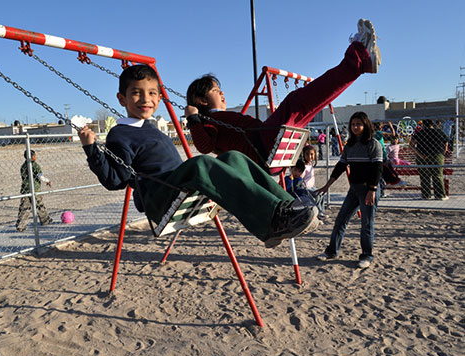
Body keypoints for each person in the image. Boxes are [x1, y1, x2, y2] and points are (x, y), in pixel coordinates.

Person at [78, 65, 318, 249]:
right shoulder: (120, 134)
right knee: (201, 163)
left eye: (152, 93)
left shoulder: (150, 127)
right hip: (159, 198)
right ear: (122, 99)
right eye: (136, 93)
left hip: (178, 185)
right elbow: (114, 180)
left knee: (233, 158)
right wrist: (91, 149)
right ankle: (274, 218)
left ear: (160, 98)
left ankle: (288, 205)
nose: (145, 99)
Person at [184, 18, 381, 169]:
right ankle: (357, 58)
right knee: (297, 102)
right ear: (201, 100)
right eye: (216, 90)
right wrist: (193, 117)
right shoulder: (208, 120)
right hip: (263, 147)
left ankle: (360, 62)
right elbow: (203, 146)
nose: (222, 93)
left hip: (264, 145)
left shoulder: (218, 119)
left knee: (312, 104)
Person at [315, 111, 383, 269]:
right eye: (353, 124)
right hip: (354, 189)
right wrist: (327, 185)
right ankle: (332, 250)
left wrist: (372, 190)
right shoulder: (350, 146)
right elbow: (340, 166)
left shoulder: (373, 144)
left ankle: (367, 255)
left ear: (365, 125)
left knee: (366, 223)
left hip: (369, 188)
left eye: (359, 124)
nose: (355, 127)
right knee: (341, 220)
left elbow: (377, 169)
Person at [409, 119, 450, 200]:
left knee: (424, 176)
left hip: (423, 156)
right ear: (432, 124)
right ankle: (440, 195)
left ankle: (426, 195)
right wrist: (444, 151)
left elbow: (411, 145)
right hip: (437, 155)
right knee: (437, 175)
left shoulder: (420, 133)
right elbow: (446, 142)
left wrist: (419, 154)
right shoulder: (439, 132)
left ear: (423, 125)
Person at [15, 150, 53, 232]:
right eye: (34, 156)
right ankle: (45, 220)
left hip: (25, 189)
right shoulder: (35, 166)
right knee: (39, 205)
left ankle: (20, 226)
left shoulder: (23, 166)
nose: (35, 157)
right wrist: (47, 181)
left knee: (24, 208)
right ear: (31, 157)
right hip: (35, 189)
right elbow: (40, 176)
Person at [302, 145, 327, 220]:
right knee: (317, 195)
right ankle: (319, 212)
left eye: (311, 154)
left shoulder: (311, 164)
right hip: (305, 188)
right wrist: (301, 187)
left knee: (321, 194)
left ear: (315, 155)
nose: (309, 156)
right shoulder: (304, 166)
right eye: (307, 154)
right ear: (303, 155)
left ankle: (321, 211)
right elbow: (301, 178)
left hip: (312, 187)